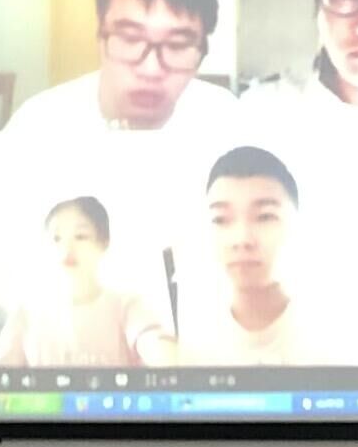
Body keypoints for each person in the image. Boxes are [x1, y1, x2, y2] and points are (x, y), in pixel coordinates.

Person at [0, 0, 235, 322]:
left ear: (202, 50)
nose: (151, 68)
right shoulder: (38, 126)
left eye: (178, 45)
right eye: (130, 38)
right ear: (100, 37)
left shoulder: (226, 121)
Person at [145, 146, 345, 366]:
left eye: (264, 217)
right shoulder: (190, 344)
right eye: (221, 219)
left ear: (296, 225)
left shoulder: (333, 338)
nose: (242, 239)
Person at [0, 194, 168, 368]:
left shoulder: (126, 306)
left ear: (103, 243)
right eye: (56, 238)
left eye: (80, 236)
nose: (66, 248)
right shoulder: (25, 315)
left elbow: (157, 347)